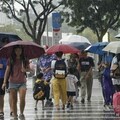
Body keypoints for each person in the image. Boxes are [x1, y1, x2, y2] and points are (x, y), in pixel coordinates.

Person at [2, 45, 30, 119]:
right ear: (14, 51)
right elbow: (7, 71)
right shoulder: (11, 60)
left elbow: (29, 69)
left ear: (22, 51)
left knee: (22, 98)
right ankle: (15, 115)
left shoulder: (25, 59)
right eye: (17, 50)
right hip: (12, 82)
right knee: (14, 100)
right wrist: (4, 82)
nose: (18, 52)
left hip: (22, 82)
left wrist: (25, 70)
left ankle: (21, 113)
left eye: (20, 50)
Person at [0, 37, 9, 119]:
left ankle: (12, 109)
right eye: (4, 42)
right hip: (2, 76)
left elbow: (7, 66)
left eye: (6, 42)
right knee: (1, 95)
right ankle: (1, 110)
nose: (5, 44)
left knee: (9, 93)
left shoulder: (8, 54)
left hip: (6, 76)